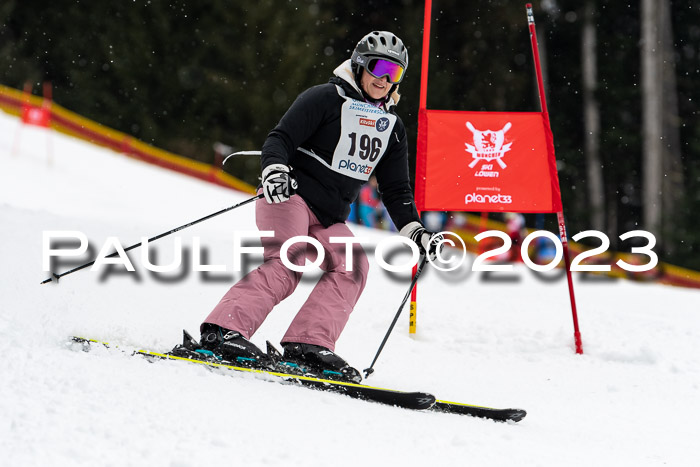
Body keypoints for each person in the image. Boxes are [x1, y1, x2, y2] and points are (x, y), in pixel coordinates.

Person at [199, 31, 442, 382]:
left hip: (328, 216)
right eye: (379, 68)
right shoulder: (326, 98)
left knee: (354, 267)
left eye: (396, 73)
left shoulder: (392, 128)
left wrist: (415, 231)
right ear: (359, 66)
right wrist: (275, 171)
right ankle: (222, 332)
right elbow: (280, 139)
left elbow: (396, 189)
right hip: (289, 196)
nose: (385, 79)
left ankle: (306, 346)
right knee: (289, 259)